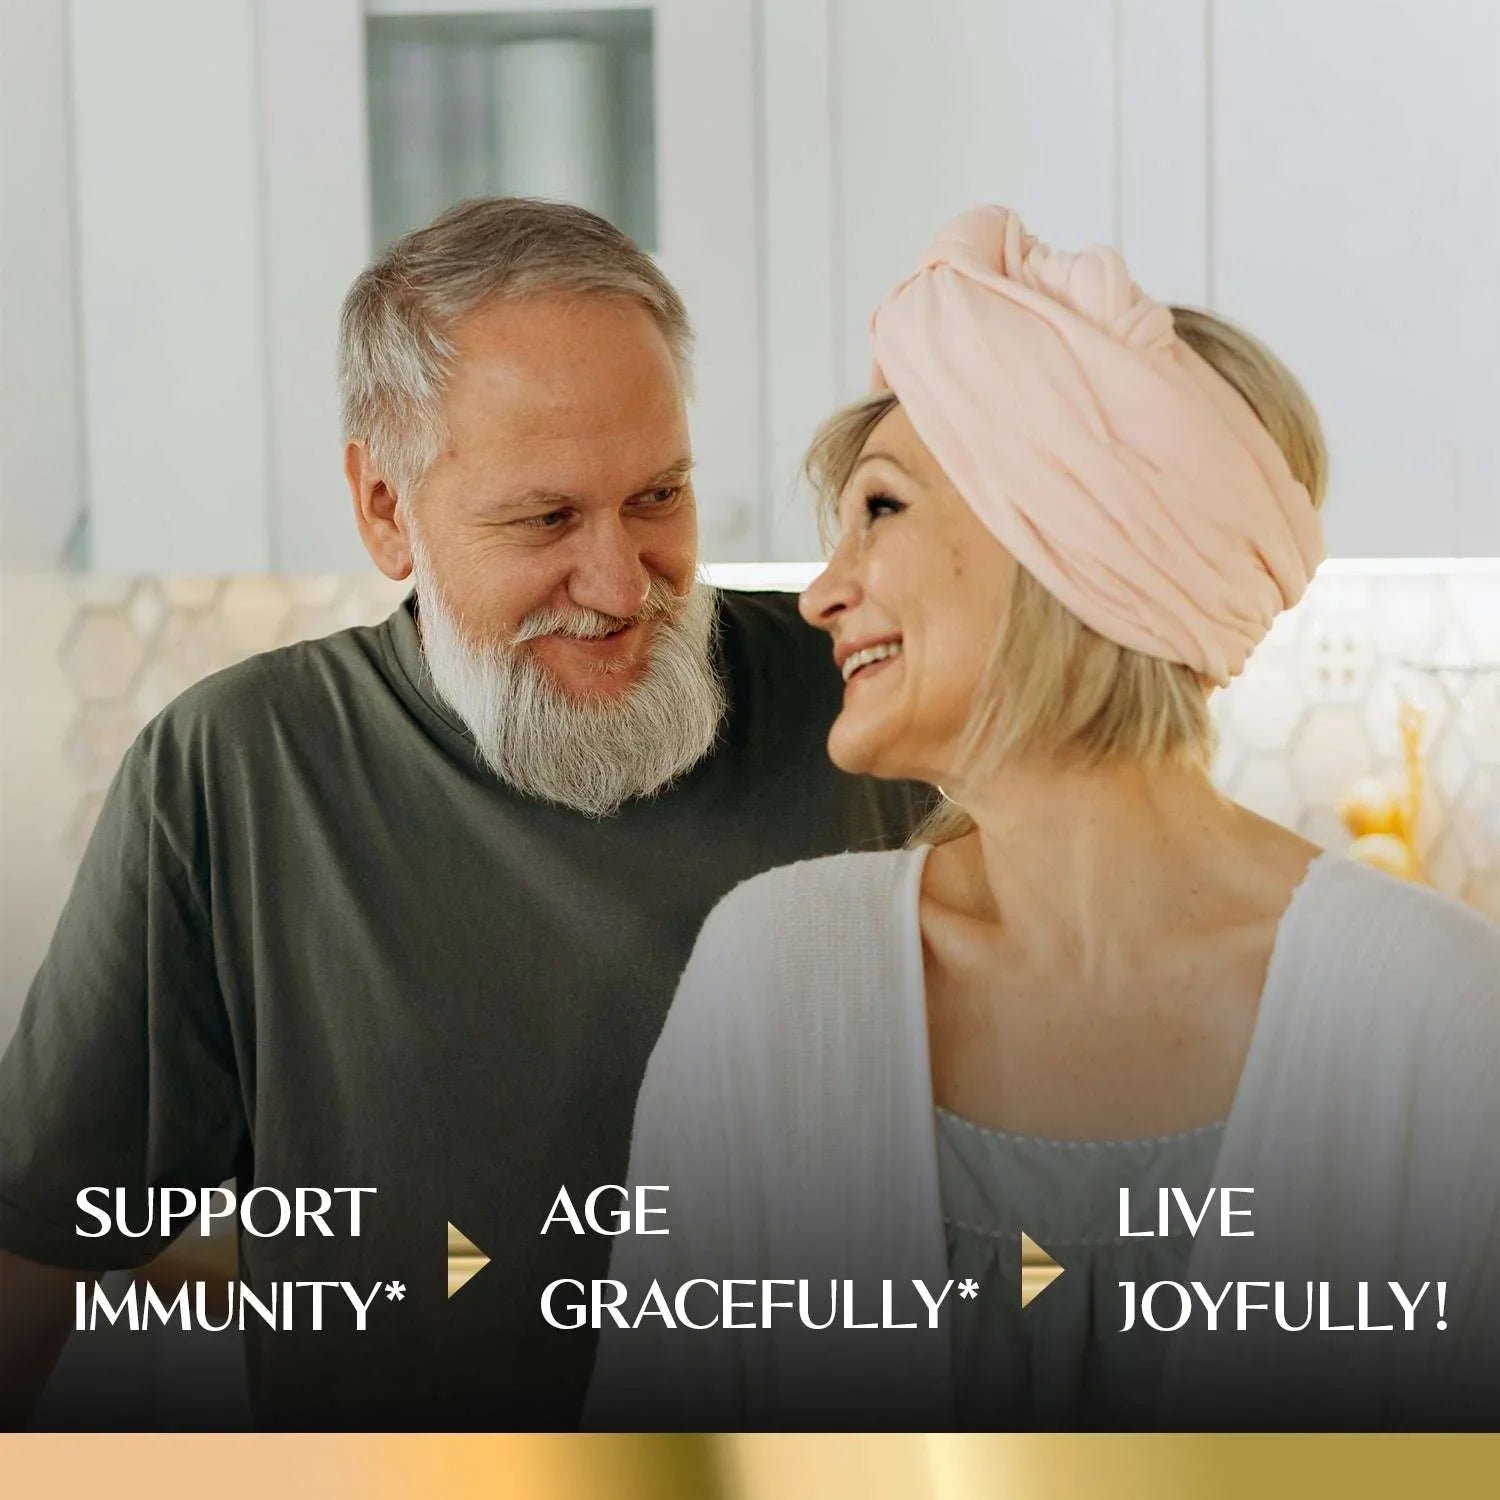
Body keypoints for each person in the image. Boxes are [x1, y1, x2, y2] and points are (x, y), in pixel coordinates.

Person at [0, 198, 926, 1431]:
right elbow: (43, 1245)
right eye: (545, 518)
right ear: (385, 510)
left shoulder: (868, 701)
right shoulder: (237, 769)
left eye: (659, 497)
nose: (619, 584)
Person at [586, 206, 1500, 1431]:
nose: (821, 594)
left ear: (1062, 548)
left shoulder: (1435, 1016)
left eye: (883, 510)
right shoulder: (778, 976)